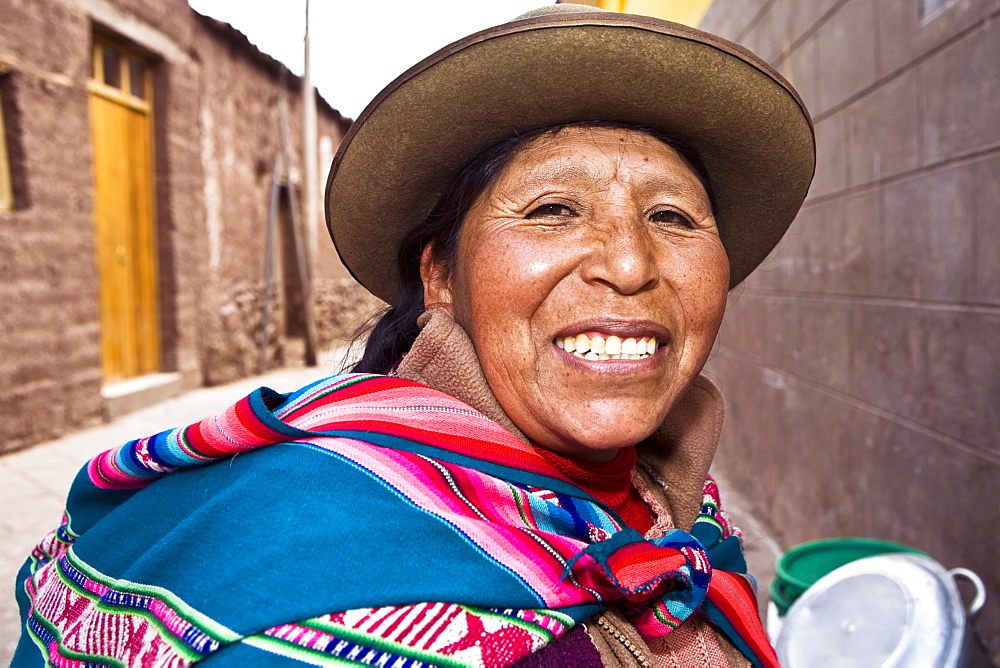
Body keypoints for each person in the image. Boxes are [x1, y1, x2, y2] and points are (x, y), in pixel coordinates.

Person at [13, 4, 813, 667]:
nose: (631, 263)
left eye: (672, 217)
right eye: (552, 210)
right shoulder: (317, 569)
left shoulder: (672, 500)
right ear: (440, 278)